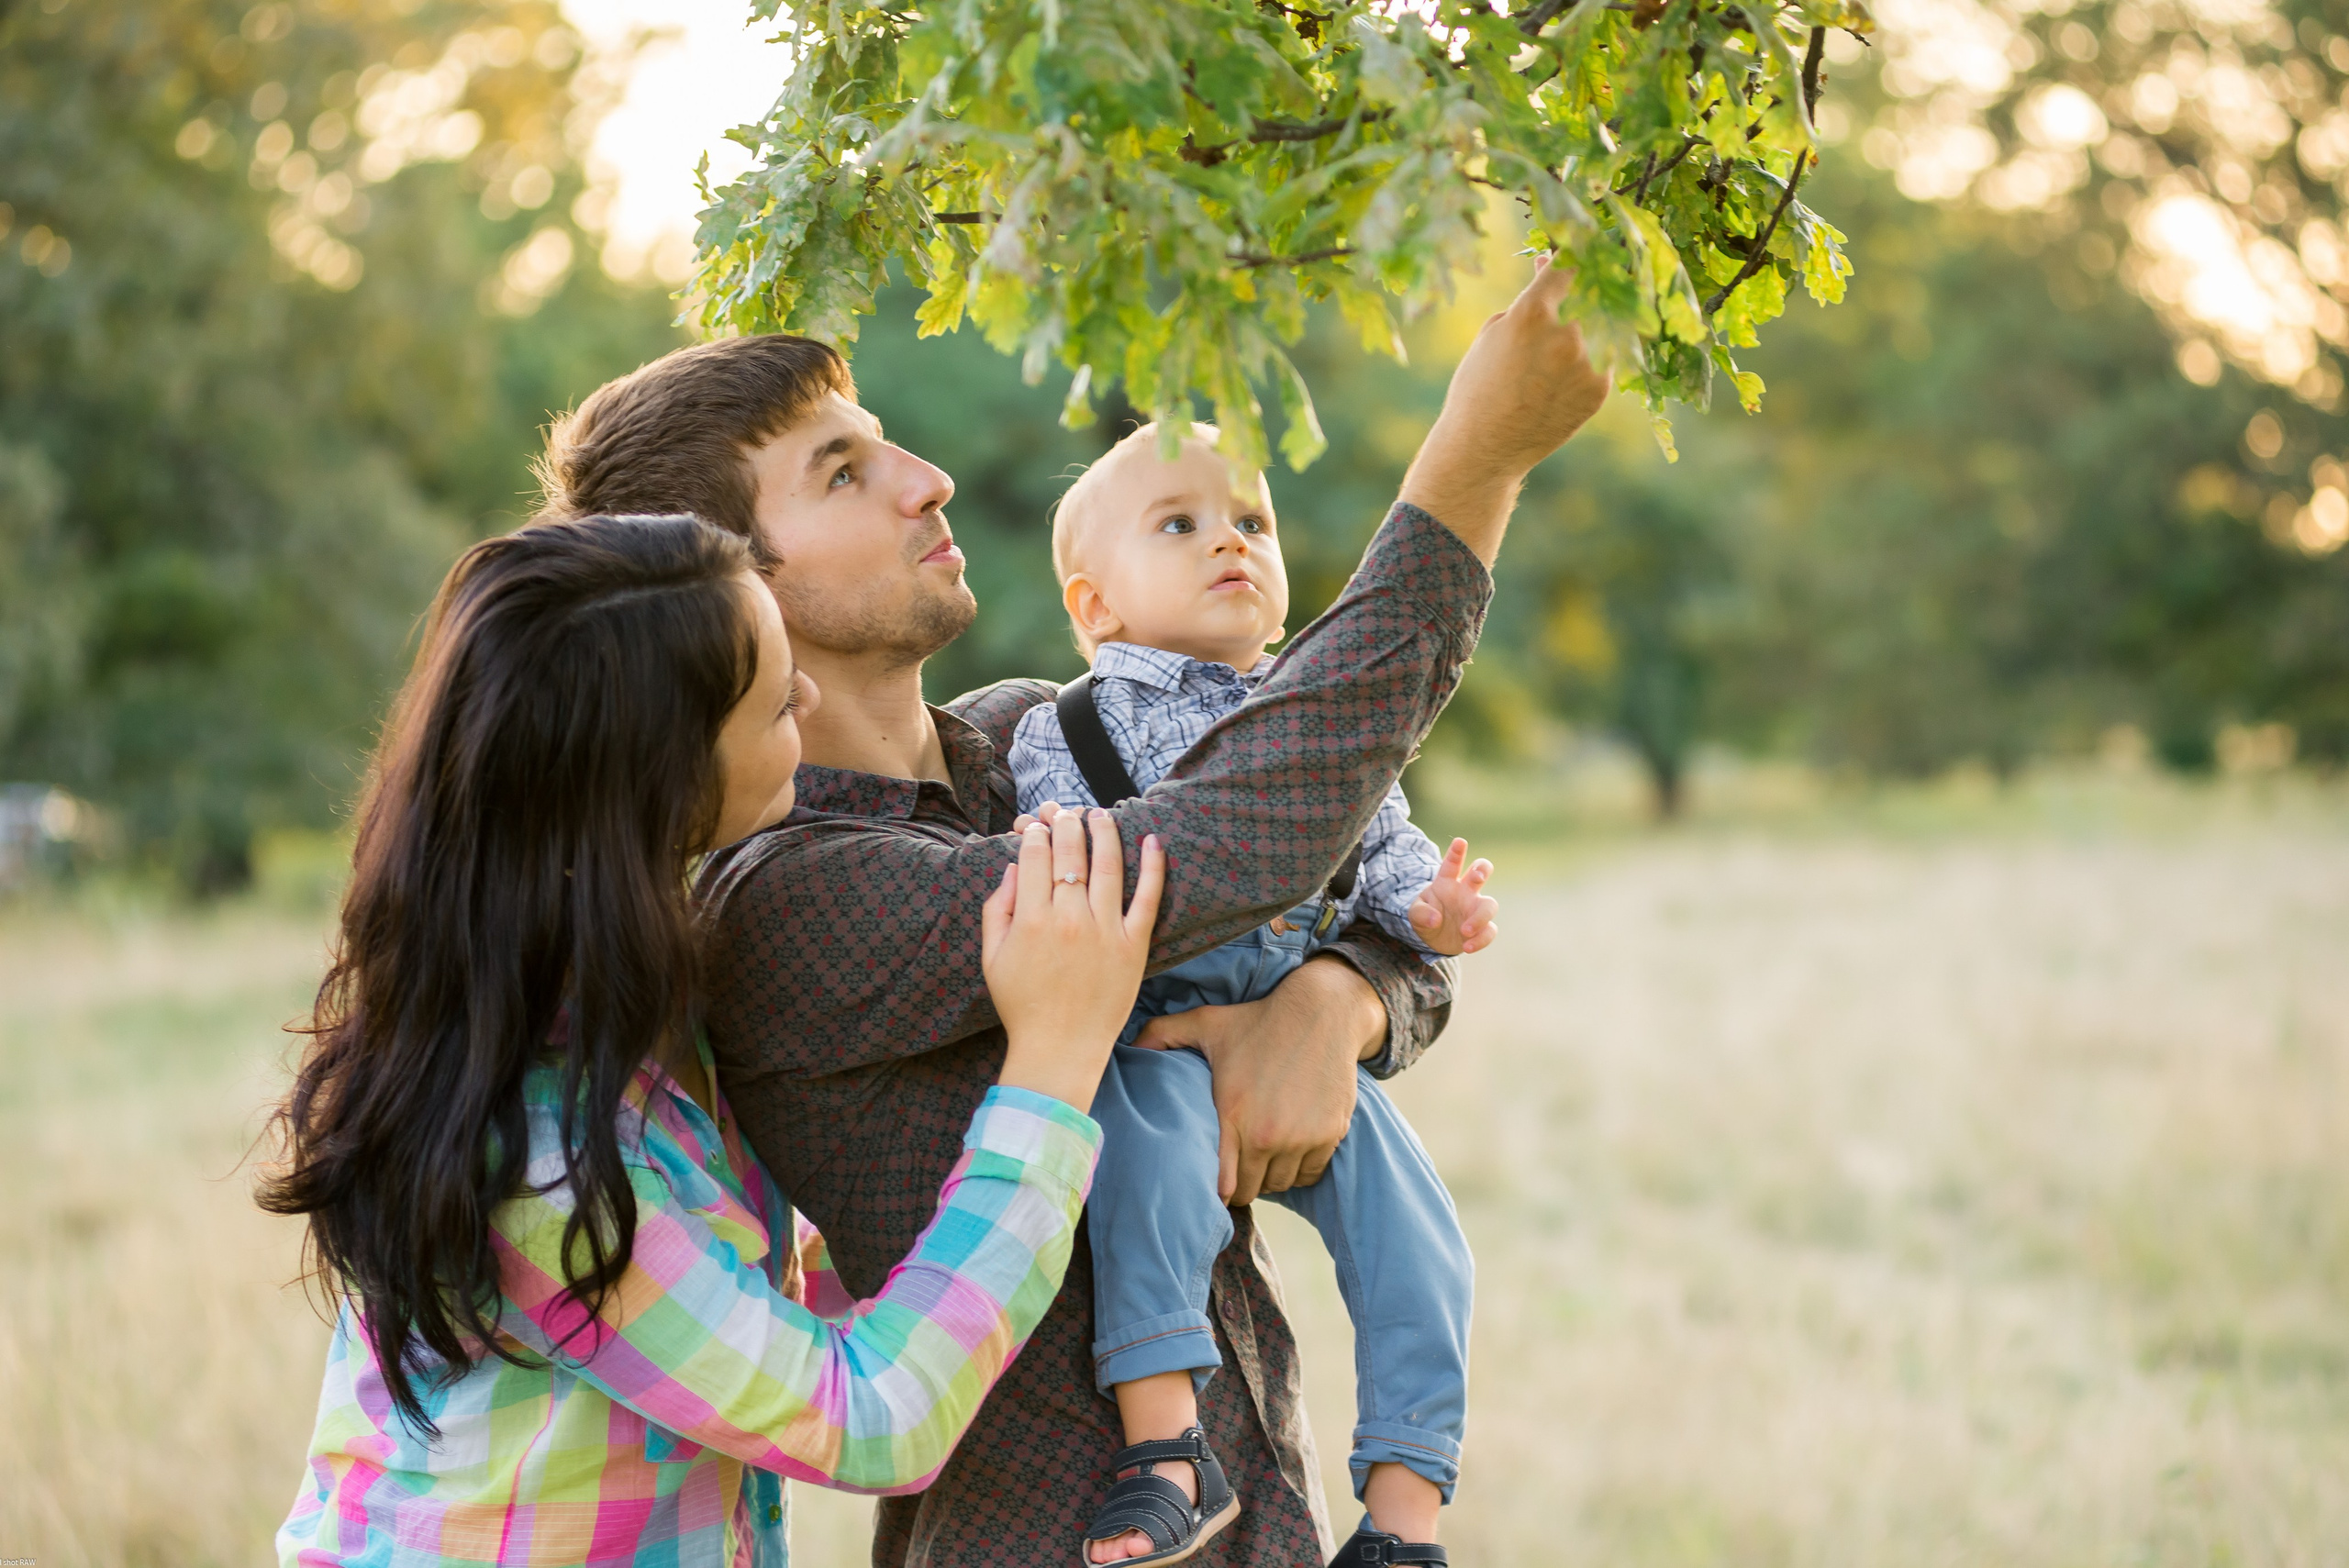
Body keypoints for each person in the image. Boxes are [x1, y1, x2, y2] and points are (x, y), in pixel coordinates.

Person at [534, 257, 1609, 1567]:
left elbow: (1337, 866)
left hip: (1265, 1517)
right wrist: (1473, 467)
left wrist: (1337, 1003)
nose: (923, 477)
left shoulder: (1035, 739)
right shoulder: (789, 896)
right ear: (735, 586)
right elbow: (1236, 837)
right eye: (840, 472)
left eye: (884, 445)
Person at [259, 513, 1164, 1567]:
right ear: (663, 778)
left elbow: (763, 1290)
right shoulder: (543, 1163)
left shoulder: (626, 991)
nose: (812, 698)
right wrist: (1053, 1063)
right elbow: (872, 1418)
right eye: (779, 699)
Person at [1012, 420, 1500, 1567]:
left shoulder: (1316, 710)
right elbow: (1058, 866)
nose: (1227, 541)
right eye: (1179, 524)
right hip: (1156, 1025)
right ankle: (1168, 1451)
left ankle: (1403, 1515)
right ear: (1096, 607)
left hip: (1292, 1004)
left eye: (1251, 521)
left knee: (1420, 1240)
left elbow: (1378, 847)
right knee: (1147, 1191)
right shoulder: (1062, 724)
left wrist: (1427, 908)